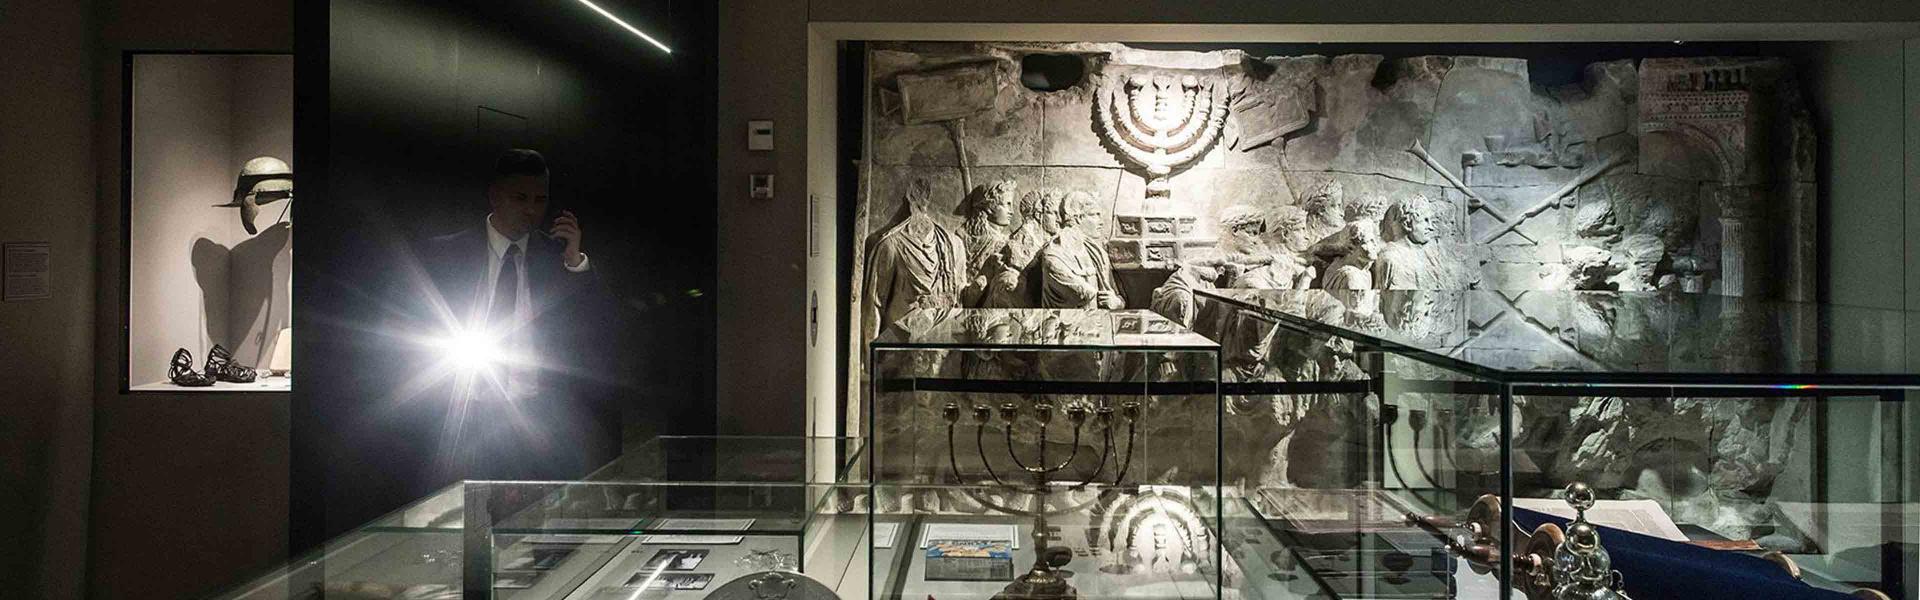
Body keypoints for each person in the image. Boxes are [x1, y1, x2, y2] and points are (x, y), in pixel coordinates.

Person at [411, 148, 610, 479]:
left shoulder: (557, 257)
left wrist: (576, 263)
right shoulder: (444, 254)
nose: (531, 210)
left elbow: (598, 327)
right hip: (463, 413)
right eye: (520, 198)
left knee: (542, 519)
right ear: (495, 197)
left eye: (539, 200)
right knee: (461, 514)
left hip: (542, 416)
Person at [864, 178, 966, 338]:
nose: (923, 202)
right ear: (909, 197)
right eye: (919, 196)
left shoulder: (953, 244)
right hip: (901, 341)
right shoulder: (891, 245)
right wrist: (868, 354)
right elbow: (874, 305)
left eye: (927, 196)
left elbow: (960, 299)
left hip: (942, 339)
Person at [1040, 191, 1123, 309]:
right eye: (1095, 215)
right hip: (1066, 325)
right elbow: (1085, 294)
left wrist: (1117, 303)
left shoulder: (1097, 254)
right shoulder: (1054, 254)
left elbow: (1117, 297)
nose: (1101, 222)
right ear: (1078, 218)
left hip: (1098, 324)